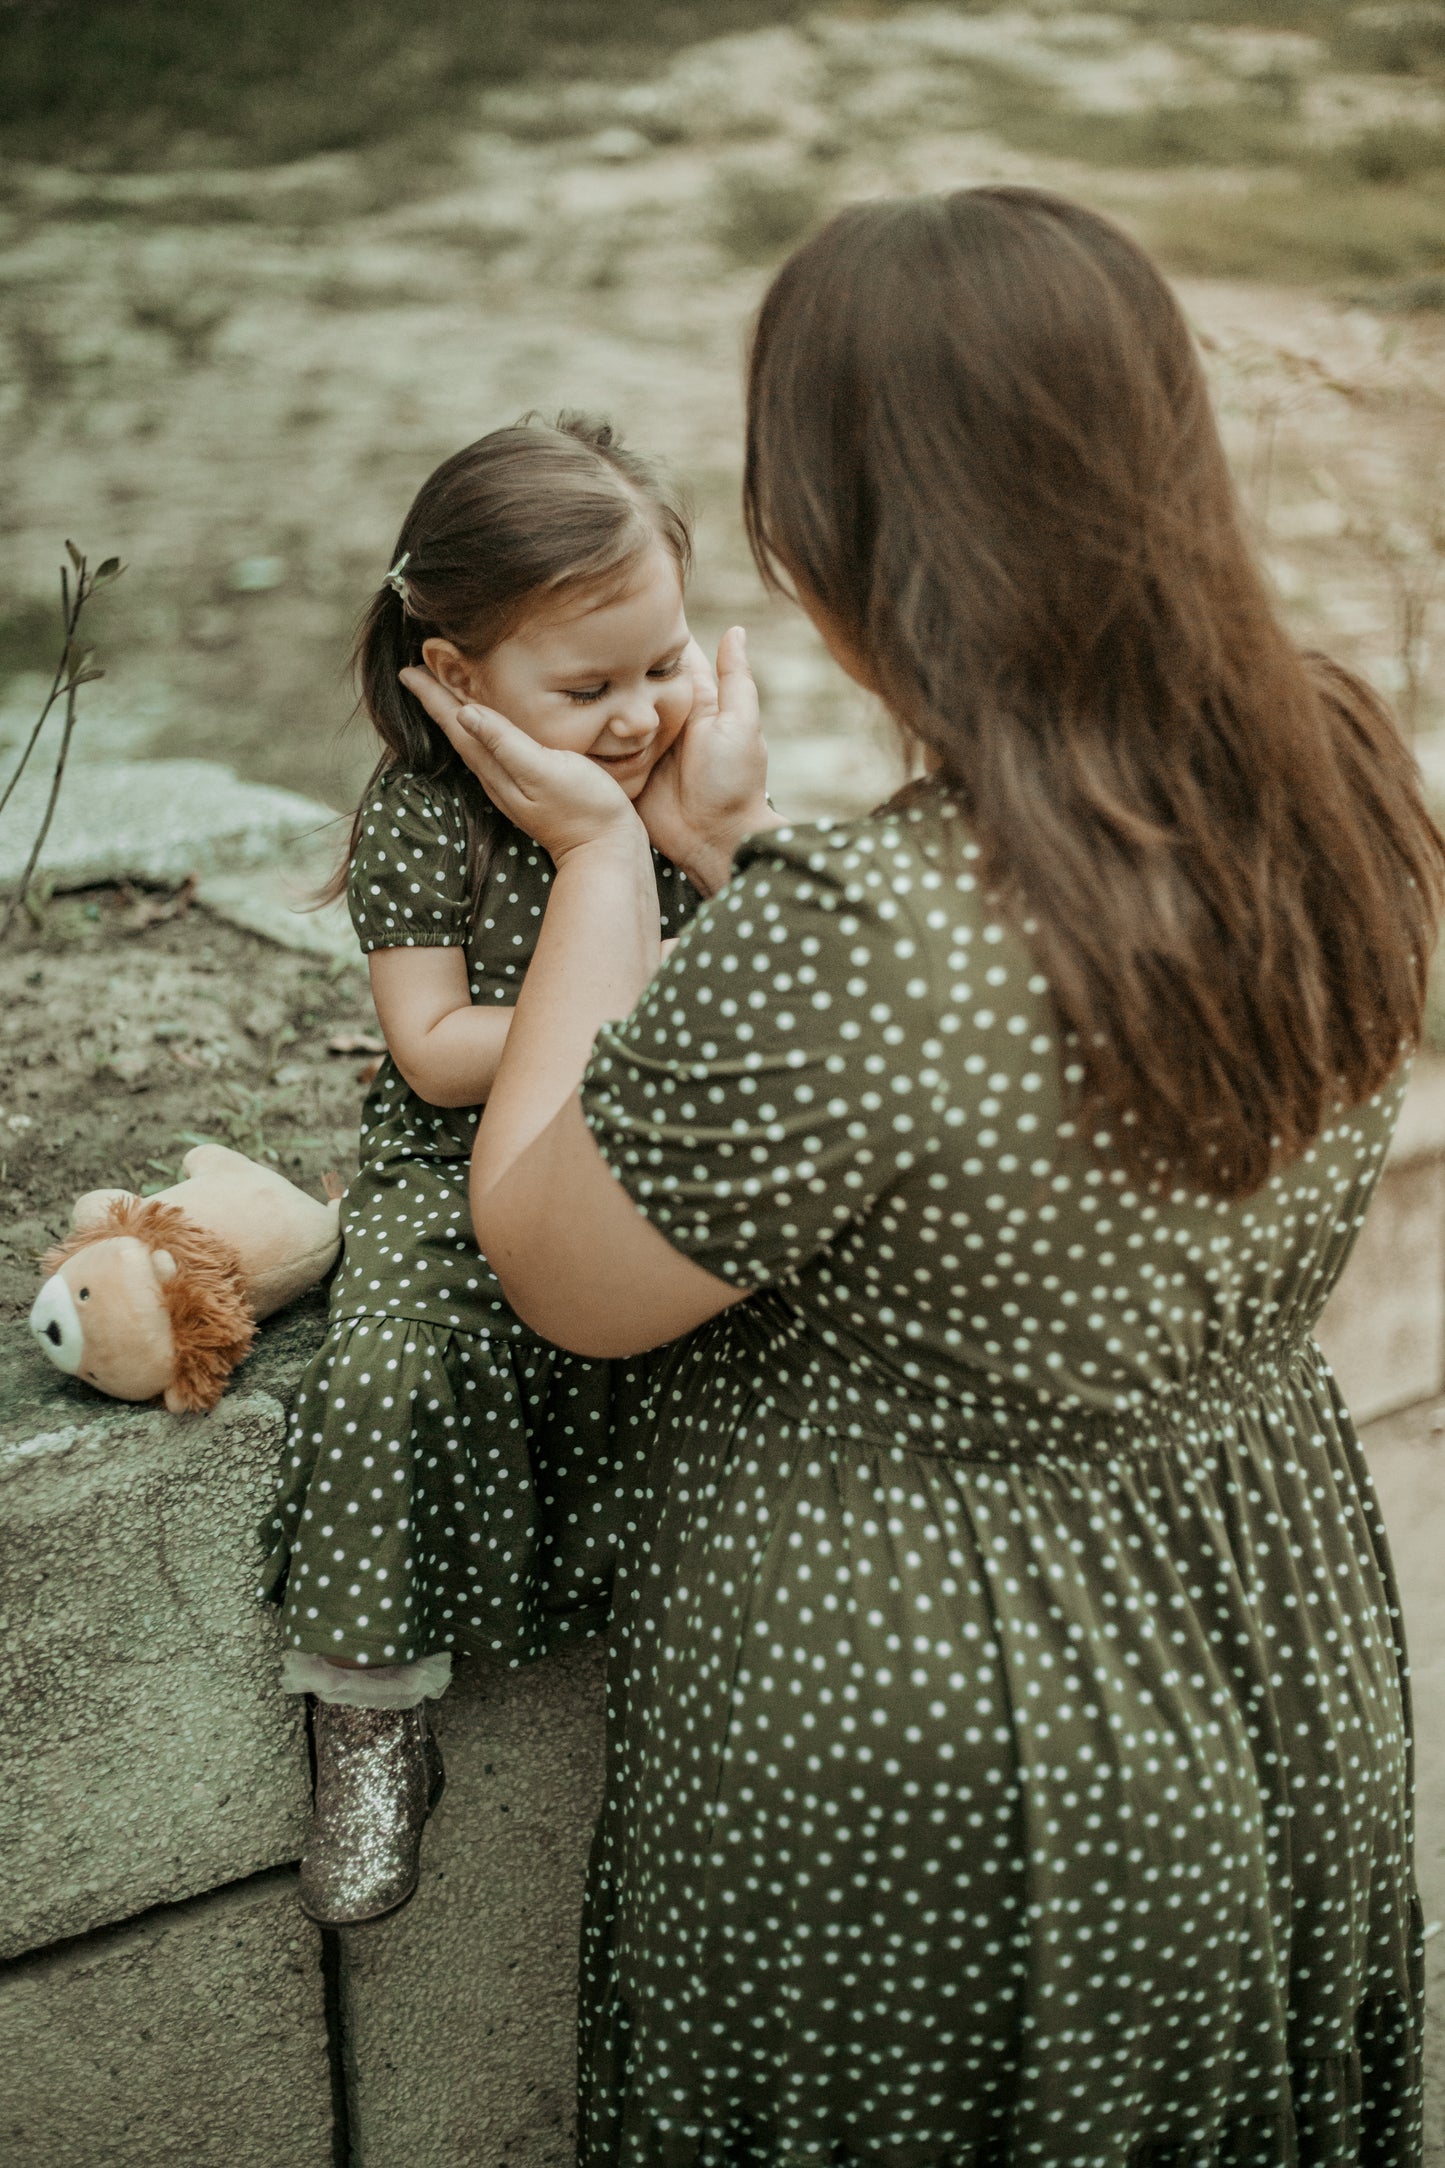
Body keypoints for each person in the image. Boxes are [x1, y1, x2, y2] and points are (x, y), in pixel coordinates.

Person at [406, 190, 1444, 2163]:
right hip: (1267, 1638)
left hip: (947, 1746)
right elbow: (1015, 1092)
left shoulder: (873, 933)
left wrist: (609, 868)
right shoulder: (1338, 776)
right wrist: (744, 863)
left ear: (837, 538)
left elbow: (553, 1249)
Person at [260, 413, 710, 1926]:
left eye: (663, 662)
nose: (638, 714)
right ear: (455, 677)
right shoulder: (425, 815)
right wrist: (612, 985)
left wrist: (713, 838)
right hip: (452, 1162)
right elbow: (434, 1045)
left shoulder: (671, 778)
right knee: (382, 1376)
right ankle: (368, 1714)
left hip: (643, 1135)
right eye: (586, 687)